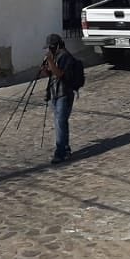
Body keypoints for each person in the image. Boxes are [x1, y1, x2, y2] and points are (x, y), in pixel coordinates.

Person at [42, 33, 77, 164]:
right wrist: (46, 67)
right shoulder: (55, 56)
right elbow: (51, 74)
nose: (49, 50)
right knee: (61, 123)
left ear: (56, 46)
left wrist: (50, 61)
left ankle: (60, 153)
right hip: (54, 93)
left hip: (64, 94)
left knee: (60, 123)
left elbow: (59, 74)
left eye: (50, 47)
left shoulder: (65, 56)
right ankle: (66, 149)